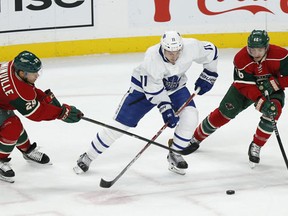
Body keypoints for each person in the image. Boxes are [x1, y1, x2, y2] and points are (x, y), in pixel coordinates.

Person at [74, 31, 219, 175]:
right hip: (143, 91)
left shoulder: (191, 46)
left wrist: (210, 73)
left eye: (177, 52)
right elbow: (153, 90)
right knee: (119, 126)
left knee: (191, 116)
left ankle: (175, 153)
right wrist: (166, 109)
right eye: (170, 53)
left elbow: (211, 51)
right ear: (163, 49)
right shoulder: (152, 58)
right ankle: (88, 156)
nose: (174, 57)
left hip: (175, 87)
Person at [187, 29, 288, 168]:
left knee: (273, 111)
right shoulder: (241, 58)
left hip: (272, 88)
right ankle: (195, 138)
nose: (256, 54)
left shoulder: (281, 56)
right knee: (224, 112)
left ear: (267, 47)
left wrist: (277, 83)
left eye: (260, 50)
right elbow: (243, 85)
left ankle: (256, 145)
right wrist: (260, 100)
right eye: (252, 50)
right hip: (245, 89)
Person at [0, 50, 83, 183]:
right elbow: (36, 113)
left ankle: (27, 150)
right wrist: (61, 113)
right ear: (22, 73)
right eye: (34, 73)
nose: (37, 75)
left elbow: (29, 90)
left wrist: (44, 98)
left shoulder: (13, 66)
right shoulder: (18, 91)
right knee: (12, 126)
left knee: (13, 123)